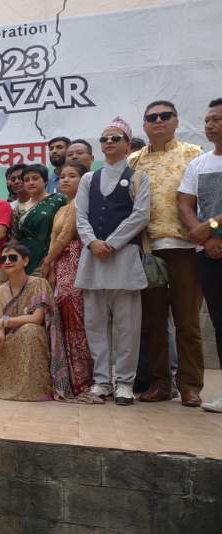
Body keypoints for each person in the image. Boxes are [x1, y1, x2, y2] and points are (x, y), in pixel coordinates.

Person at [130, 100, 205, 407]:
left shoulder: (194, 154)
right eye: (152, 117)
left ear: (176, 121)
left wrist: (209, 230)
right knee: (153, 323)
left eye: (165, 116)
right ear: (144, 125)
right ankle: (160, 384)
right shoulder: (134, 160)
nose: (158, 121)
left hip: (187, 249)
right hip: (149, 252)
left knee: (187, 323)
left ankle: (190, 385)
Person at [75, 117, 150, 405]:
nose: (108, 142)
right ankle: (101, 381)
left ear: (127, 145)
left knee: (127, 326)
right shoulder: (88, 179)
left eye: (115, 138)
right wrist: (93, 242)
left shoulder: (139, 178)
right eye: (105, 138)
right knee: (94, 324)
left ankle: (125, 384)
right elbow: (81, 215)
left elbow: (140, 215)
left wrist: (112, 243)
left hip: (124, 258)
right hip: (93, 258)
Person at [0, 242, 74, 401]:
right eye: (3, 259)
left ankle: (34, 388)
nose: (7, 262)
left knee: (29, 330)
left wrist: (3, 322)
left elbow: (36, 318)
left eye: (12, 257)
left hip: (34, 339)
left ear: (25, 261)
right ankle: (4, 386)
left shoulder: (38, 283)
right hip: (10, 338)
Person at [177, 98, 222, 412]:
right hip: (208, 252)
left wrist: (212, 226)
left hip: (211, 238)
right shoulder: (199, 163)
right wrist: (203, 236)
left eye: (217, 119)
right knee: (219, 322)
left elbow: (214, 219)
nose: (210, 125)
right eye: (207, 119)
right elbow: (184, 203)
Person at [40, 163, 94, 394]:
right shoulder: (62, 208)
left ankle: (82, 379)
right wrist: (51, 267)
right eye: (62, 176)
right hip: (59, 266)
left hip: (75, 262)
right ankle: (64, 378)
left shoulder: (80, 202)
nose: (65, 180)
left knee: (76, 320)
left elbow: (65, 237)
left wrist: (46, 262)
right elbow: (54, 240)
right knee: (60, 319)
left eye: (72, 176)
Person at [10, 164, 67, 275]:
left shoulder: (58, 200)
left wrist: (50, 259)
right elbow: (15, 238)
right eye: (26, 180)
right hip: (25, 259)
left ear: (45, 181)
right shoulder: (18, 209)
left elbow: (65, 231)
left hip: (54, 256)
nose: (31, 182)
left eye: (35, 178)